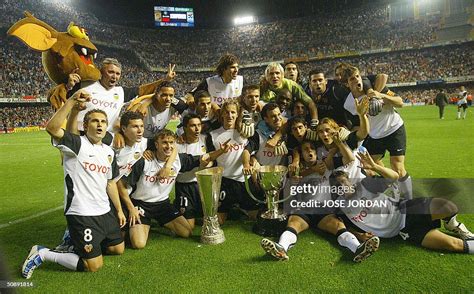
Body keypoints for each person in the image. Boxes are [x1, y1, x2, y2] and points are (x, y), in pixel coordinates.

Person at [22, 90, 126, 279]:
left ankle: (75, 241)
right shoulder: (77, 144)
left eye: (103, 122)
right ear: (85, 126)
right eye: (95, 121)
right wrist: (71, 102)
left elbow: (110, 183)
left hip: (104, 210)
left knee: (117, 248)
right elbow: (52, 128)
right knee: (93, 266)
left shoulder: (108, 152)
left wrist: (118, 210)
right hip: (82, 212)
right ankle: (43, 253)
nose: (100, 125)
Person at [261, 139, 379, 262]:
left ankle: (358, 249)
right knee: (292, 224)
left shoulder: (326, 165)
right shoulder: (296, 172)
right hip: (304, 208)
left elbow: (349, 159)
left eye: (311, 149)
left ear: (317, 152)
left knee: (339, 227)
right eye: (305, 150)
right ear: (301, 155)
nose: (309, 152)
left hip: (324, 209)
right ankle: (281, 248)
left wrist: (334, 148)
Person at [334, 151, 474, 254]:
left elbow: (394, 177)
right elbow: (345, 227)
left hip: (407, 209)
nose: (342, 187)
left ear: (350, 181)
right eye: (338, 186)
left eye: (343, 182)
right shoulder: (341, 208)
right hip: (404, 231)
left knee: (449, 207)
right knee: (454, 245)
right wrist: (359, 236)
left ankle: (453, 224)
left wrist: (376, 168)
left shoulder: (365, 186)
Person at [121, 129, 230, 249]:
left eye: (171, 143)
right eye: (164, 143)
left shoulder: (178, 160)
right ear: (156, 145)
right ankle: (141, 225)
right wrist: (131, 209)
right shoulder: (145, 161)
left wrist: (221, 151)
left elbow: (205, 157)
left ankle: (157, 222)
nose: (168, 146)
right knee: (139, 244)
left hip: (163, 205)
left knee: (186, 232)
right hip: (141, 205)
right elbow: (122, 186)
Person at [343, 65, 412, 200]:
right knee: (367, 166)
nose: (357, 80)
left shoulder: (375, 88)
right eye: (352, 79)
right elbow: (357, 126)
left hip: (394, 128)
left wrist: (380, 96)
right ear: (347, 84)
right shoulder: (349, 104)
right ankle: (393, 186)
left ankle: (409, 199)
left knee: (397, 166)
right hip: (375, 135)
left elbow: (400, 102)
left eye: (357, 76)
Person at [68, 58, 175, 132]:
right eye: (111, 72)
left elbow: (143, 90)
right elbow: (62, 99)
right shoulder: (86, 86)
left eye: (117, 73)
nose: (114, 76)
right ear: (101, 72)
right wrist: (68, 86)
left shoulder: (121, 92)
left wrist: (165, 80)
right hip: (82, 134)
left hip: (106, 138)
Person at [206, 100, 258, 224]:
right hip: (225, 181)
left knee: (255, 216)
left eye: (233, 112)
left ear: (237, 114)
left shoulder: (246, 133)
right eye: (227, 112)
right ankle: (234, 209)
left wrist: (252, 161)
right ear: (222, 114)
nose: (230, 116)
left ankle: (239, 208)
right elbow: (210, 158)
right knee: (218, 221)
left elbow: (252, 152)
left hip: (244, 179)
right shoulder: (213, 135)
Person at [174, 114, 209, 229]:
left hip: (202, 185)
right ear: (184, 128)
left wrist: (208, 164)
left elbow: (213, 157)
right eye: (193, 126)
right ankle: (176, 208)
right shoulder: (176, 144)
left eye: (199, 125)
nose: (197, 128)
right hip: (184, 187)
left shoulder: (206, 139)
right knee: (189, 227)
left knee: (214, 219)